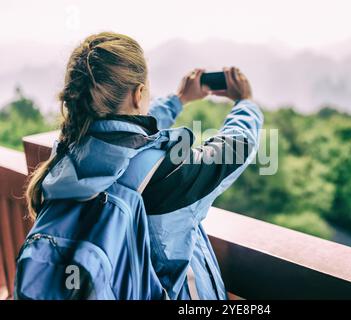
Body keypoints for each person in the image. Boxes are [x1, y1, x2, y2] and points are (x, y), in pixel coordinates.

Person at [24, 32, 263, 300]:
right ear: (139, 94)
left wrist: (177, 100)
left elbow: (126, 133)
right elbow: (235, 147)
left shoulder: (66, 158)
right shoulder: (164, 174)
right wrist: (246, 102)